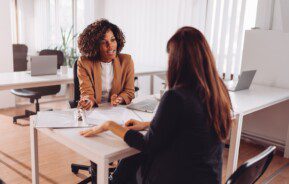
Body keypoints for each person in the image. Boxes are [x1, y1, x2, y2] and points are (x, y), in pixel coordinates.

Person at [80, 26, 233, 184]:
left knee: (134, 154)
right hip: (207, 177)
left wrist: (110, 125)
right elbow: (190, 123)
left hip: (177, 177)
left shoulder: (175, 97)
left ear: (177, 60)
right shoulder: (218, 91)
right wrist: (147, 124)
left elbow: (147, 145)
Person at [77, 19, 135, 110]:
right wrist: (88, 102)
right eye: (104, 42)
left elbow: (129, 92)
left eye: (113, 40)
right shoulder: (84, 63)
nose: (110, 45)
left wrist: (119, 99)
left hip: (117, 110)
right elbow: (87, 93)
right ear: (95, 46)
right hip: (95, 111)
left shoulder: (126, 61)